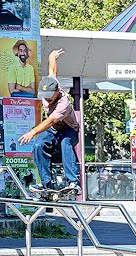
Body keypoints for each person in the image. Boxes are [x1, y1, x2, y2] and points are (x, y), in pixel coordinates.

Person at [19, 48, 79, 194]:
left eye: (50, 97)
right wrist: (52, 57)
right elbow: (53, 71)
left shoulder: (63, 103)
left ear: (58, 91)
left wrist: (33, 131)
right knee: (39, 144)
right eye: (45, 96)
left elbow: (51, 121)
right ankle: (46, 183)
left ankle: (73, 183)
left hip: (69, 130)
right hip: (53, 131)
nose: (47, 99)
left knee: (65, 143)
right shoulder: (50, 82)